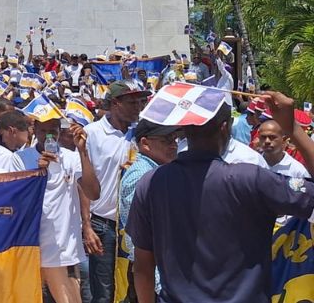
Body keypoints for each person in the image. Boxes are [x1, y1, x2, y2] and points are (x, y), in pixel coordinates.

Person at [128, 92, 314, 303]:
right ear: (225, 127)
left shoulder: (152, 183)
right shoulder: (249, 179)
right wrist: (293, 129)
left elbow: (142, 265)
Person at [15, 116, 100, 303]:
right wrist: (38, 174)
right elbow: (17, 202)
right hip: (33, 244)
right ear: (34, 129)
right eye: (43, 131)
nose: (48, 136)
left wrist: (83, 151)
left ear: (60, 130)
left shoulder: (71, 157)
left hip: (64, 246)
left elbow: (93, 193)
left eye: (53, 130)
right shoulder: (20, 159)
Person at [84, 80, 148, 303]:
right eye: (131, 102)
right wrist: (87, 226)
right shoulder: (91, 133)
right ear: (114, 103)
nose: (137, 107)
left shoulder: (142, 133)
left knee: (135, 289)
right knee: (104, 293)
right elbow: (83, 181)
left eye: (140, 102)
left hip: (137, 225)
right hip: (104, 224)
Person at [115, 120, 179, 302]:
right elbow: (141, 236)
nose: (174, 145)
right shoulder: (142, 176)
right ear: (145, 143)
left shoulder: (157, 171)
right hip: (154, 277)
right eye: (167, 140)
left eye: (175, 139)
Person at [0, 110, 31, 174]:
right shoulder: (17, 153)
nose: (3, 140)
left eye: (2, 135)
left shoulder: (40, 147)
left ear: (11, 130)